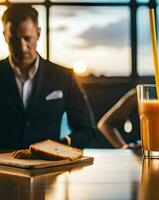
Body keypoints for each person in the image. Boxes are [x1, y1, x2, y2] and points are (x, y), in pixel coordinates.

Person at [0, 5, 96, 149]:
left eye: (27, 38)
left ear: (38, 33)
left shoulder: (64, 77)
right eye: (14, 39)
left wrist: (64, 145)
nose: (22, 46)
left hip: (50, 168)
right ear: (5, 36)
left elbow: (87, 130)